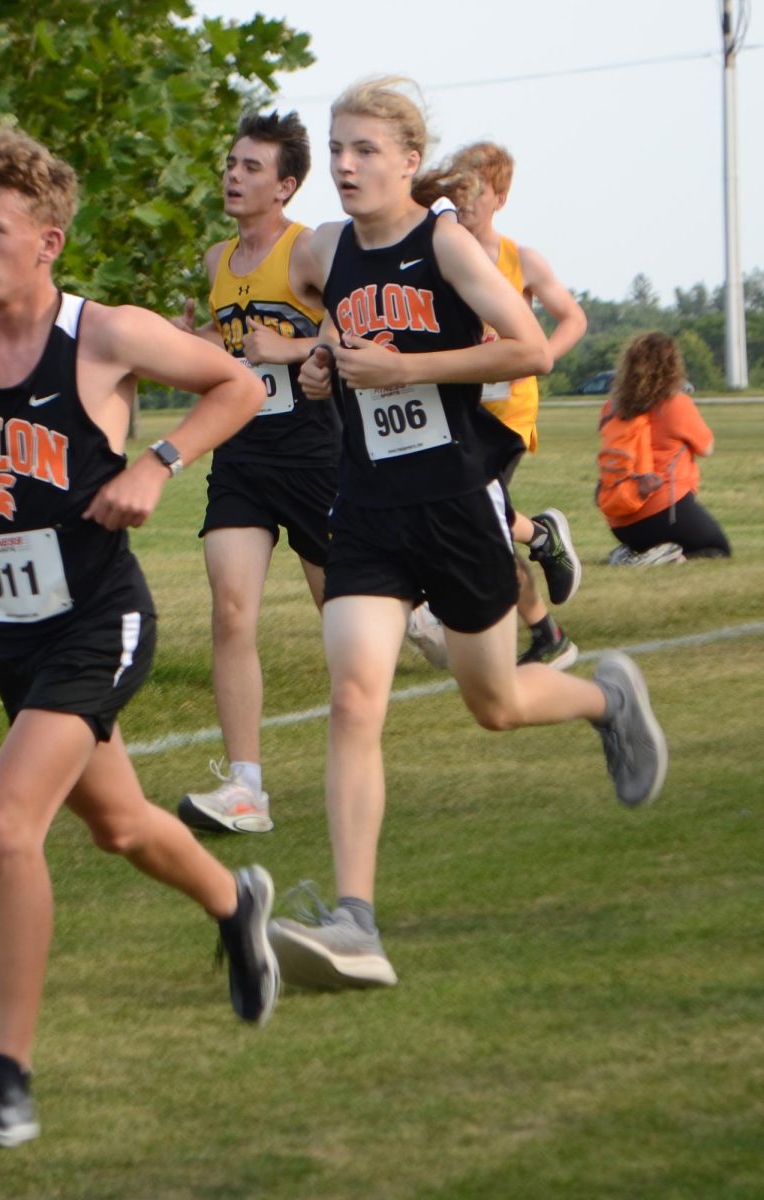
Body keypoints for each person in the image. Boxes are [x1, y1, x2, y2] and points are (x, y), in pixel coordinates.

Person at [0, 128, 279, 1149]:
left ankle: (10, 1081)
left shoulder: (104, 334)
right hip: (11, 633)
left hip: (101, 617)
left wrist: (156, 463)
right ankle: (236, 905)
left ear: (45, 240)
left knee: (6, 825)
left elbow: (241, 383)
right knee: (122, 825)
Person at [265, 78, 668, 991]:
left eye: (364, 149)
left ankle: (608, 701)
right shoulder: (325, 252)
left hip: (455, 503)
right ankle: (354, 921)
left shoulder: (441, 241)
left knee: (494, 703)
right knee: (353, 695)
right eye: (335, 148)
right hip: (365, 508)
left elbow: (526, 347)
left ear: (408, 161)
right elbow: (342, 337)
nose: (343, 164)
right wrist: (330, 365)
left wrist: (405, 366)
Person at [174, 111, 341, 835]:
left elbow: (352, 326)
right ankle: (246, 790)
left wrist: (298, 349)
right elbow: (231, 340)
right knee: (231, 608)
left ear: (285, 186)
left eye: (250, 168)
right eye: (230, 163)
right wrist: (190, 341)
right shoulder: (217, 260)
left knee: (345, 620)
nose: (233, 177)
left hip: (313, 452)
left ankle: (427, 611)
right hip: (241, 452)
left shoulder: (308, 252)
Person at [408, 141, 587, 671]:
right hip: (454, 410)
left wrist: (535, 359)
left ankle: (541, 615)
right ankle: (542, 575)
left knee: (474, 515)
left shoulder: (521, 259)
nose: (463, 198)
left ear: (500, 198)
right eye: (457, 185)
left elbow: (572, 318)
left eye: (476, 189)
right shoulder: (442, 254)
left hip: (505, 415)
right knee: (478, 524)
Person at [598, 331, 730, 564]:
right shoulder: (677, 404)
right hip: (665, 511)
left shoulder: (612, 407)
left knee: (660, 535)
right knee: (717, 548)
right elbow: (707, 447)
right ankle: (662, 556)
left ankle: (635, 551)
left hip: (619, 517)